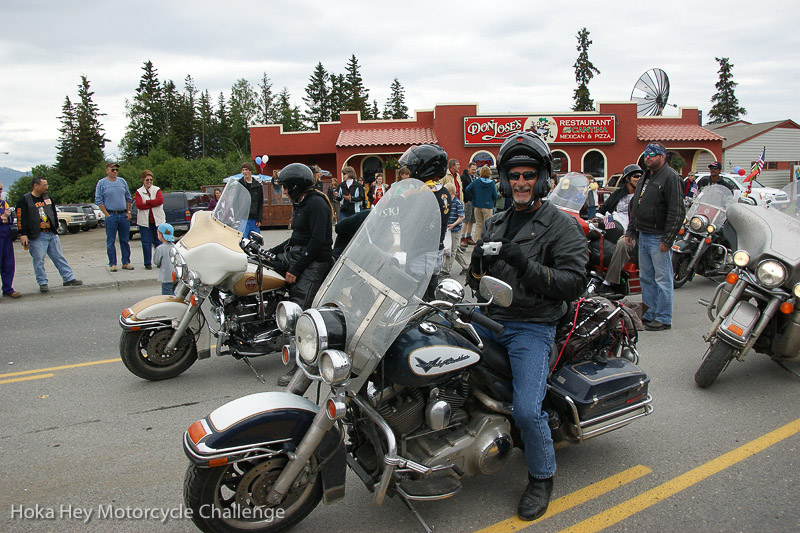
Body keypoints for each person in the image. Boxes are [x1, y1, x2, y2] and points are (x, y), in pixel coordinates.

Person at [467, 131, 587, 521]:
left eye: (528, 175)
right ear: (504, 179)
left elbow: (573, 282)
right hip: (490, 315)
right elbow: (478, 281)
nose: (521, 182)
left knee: (526, 409)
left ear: (543, 179)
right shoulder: (497, 222)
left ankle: (541, 476)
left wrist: (525, 264)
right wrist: (475, 270)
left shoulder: (561, 226)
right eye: (514, 175)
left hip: (532, 326)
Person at [267, 163, 334, 386]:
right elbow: (296, 238)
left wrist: (295, 270)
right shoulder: (302, 203)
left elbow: (316, 242)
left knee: (300, 312)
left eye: (286, 187)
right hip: (301, 256)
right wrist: (270, 253)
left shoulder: (316, 203)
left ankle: (302, 365)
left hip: (315, 262)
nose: (284, 191)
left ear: (296, 186)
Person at [625, 142, 685, 331]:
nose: (648, 157)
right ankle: (649, 314)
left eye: (653, 154)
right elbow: (636, 205)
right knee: (646, 278)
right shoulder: (645, 177)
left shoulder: (670, 177)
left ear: (662, 157)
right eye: (646, 154)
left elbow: (677, 211)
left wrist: (668, 239)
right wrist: (631, 230)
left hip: (658, 237)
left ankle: (663, 317)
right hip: (643, 234)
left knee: (662, 279)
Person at [16, 176, 83, 292]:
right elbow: (20, 217)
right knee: (38, 260)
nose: (46, 187)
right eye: (44, 185)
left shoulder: (47, 198)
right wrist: (23, 234)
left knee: (58, 257)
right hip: (37, 235)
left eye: (47, 185)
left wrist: (56, 226)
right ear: (36, 186)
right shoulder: (25, 200)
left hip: (51, 233)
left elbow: (53, 213)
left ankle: (68, 278)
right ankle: (42, 283)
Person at [595, 164, 642, 295]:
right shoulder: (618, 193)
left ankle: (608, 283)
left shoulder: (643, 196)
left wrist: (629, 233)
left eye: (640, 176)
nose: (639, 178)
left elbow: (644, 219)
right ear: (627, 178)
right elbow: (604, 211)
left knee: (623, 243)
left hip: (633, 234)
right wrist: (602, 223)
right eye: (635, 176)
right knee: (586, 230)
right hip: (614, 226)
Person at [95, 162, 133, 272]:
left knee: (125, 240)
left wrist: (128, 211)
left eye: (116, 170)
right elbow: (98, 199)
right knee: (111, 241)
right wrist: (106, 214)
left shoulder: (122, 182)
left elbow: (128, 197)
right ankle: (112, 264)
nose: (115, 171)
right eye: (113, 170)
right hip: (111, 215)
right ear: (107, 170)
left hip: (123, 214)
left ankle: (126, 262)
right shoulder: (102, 183)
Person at [134, 170, 165, 271]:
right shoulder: (139, 192)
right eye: (147, 180)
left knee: (158, 241)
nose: (149, 181)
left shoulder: (157, 190)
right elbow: (139, 205)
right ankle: (147, 263)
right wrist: (152, 203)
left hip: (157, 221)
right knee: (146, 242)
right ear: (143, 180)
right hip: (144, 222)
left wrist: (147, 202)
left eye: (151, 179)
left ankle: (159, 261)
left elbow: (160, 201)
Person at [464, 165, 497, 243]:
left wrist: (472, 198)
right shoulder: (491, 183)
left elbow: (467, 189)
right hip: (488, 206)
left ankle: (477, 241)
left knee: (479, 224)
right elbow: (495, 195)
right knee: (488, 224)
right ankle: (486, 240)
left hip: (477, 205)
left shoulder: (476, 181)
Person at [442, 182, 469, 276]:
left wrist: (454, 224)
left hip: (455, 229)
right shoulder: (447, 202)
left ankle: (446, 270)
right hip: (448, 229)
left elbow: (462, 216)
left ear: (450, 192)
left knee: (451, 251)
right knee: (455, 249)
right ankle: (466, 266)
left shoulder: (457, 203)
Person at [0, 184, 21, 299]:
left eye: (1, 190)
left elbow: (10, 217)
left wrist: (5, 218)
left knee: (8, 264)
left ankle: (8, 289)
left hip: (6, 236)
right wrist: (1, 217)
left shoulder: (3, 203)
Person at [238, 161, 264, 238]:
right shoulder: (239, 184)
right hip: (243, 218)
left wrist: (259, 219)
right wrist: (236, 218)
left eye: (246, 170)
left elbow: (260, 203)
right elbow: (235, 202)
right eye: (243, 170)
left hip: (254, 218)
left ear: (250, 171)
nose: (244, 172)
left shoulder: (257, 185)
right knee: (243, 239)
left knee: (255, 240)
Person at [152, 223, 177, 295]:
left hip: (166, 276)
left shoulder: (160, 248)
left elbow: (156, 262)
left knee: (167, 295)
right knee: (172, 291)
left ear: (161, 235)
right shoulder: (176, 247)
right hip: (176, 275)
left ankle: (172, 305)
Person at [460, 162, 478, 246]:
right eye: (472, 169)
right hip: (468, 201)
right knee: (466, 219)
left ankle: (469, 236)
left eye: (475, 169)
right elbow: (463, 189)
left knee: (472, 220)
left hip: (474, 201)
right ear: (468, 168)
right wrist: (466, 199)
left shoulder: (474, 177)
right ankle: (462, 238)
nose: (474, 171)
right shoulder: (464, 177)